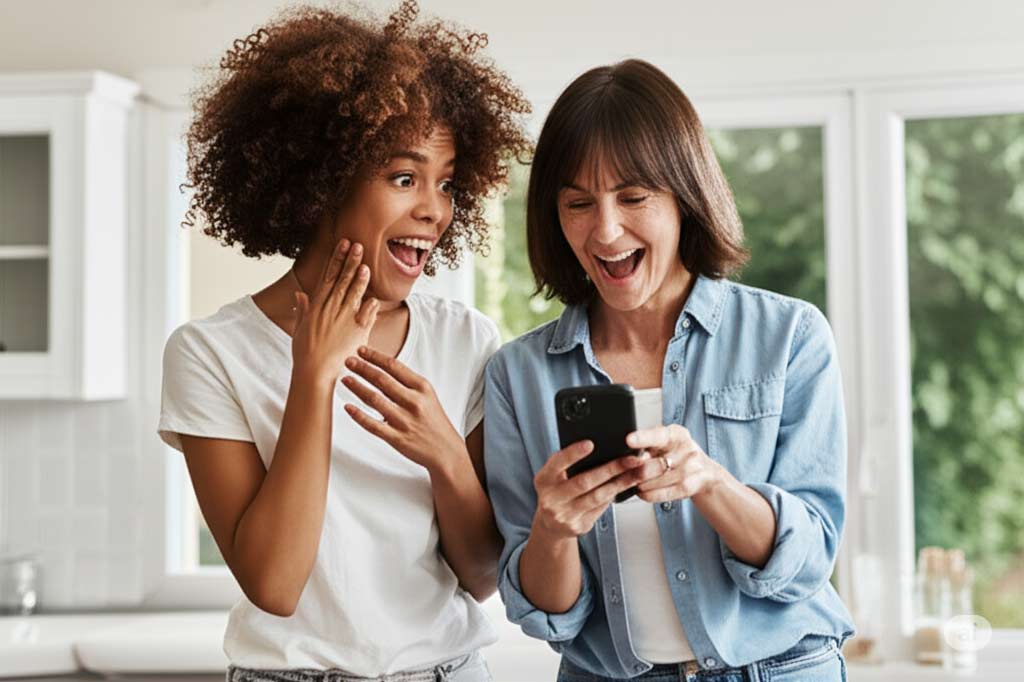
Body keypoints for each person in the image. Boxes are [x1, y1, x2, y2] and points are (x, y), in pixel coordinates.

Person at [157, 2, 529, 679]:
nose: (434, 209)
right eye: (404, 177)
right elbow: (273, 583)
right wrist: (314, 377)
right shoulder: (211, 354)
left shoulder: (463, 339)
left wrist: (446, 452)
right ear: (322, 183)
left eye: (446, 184)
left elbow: (481, 576)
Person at [484, 59, 855, 682]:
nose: (605, 230)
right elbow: (549, 615)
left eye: (633, 197)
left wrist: (708, 482)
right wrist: (553, 528)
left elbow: (809, 555)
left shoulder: (789, 337)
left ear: (685, 195)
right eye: (578, 203)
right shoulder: (516, 375)